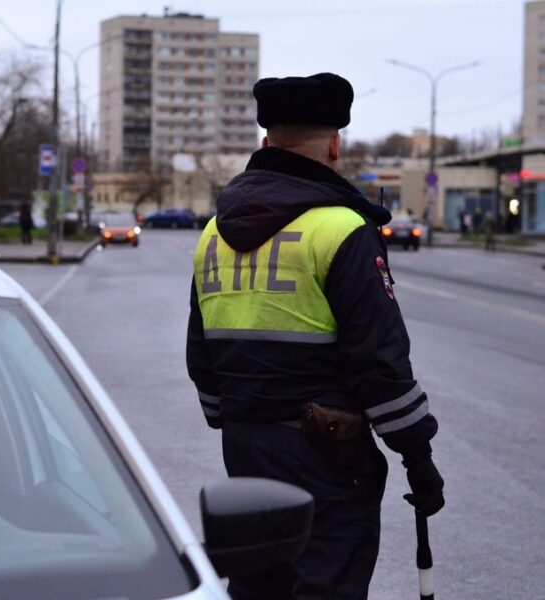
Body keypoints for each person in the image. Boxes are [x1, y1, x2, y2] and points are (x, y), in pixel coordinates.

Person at [186, 73, 444, 599]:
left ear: (266, 141)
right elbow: (379, 362)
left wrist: (238, 419)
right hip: (328, 458)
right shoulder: (341, 229)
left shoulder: (213, 234)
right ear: (333, 144)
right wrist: (417, 457)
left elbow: (202, 357)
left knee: (258, 586)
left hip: (247, 450)